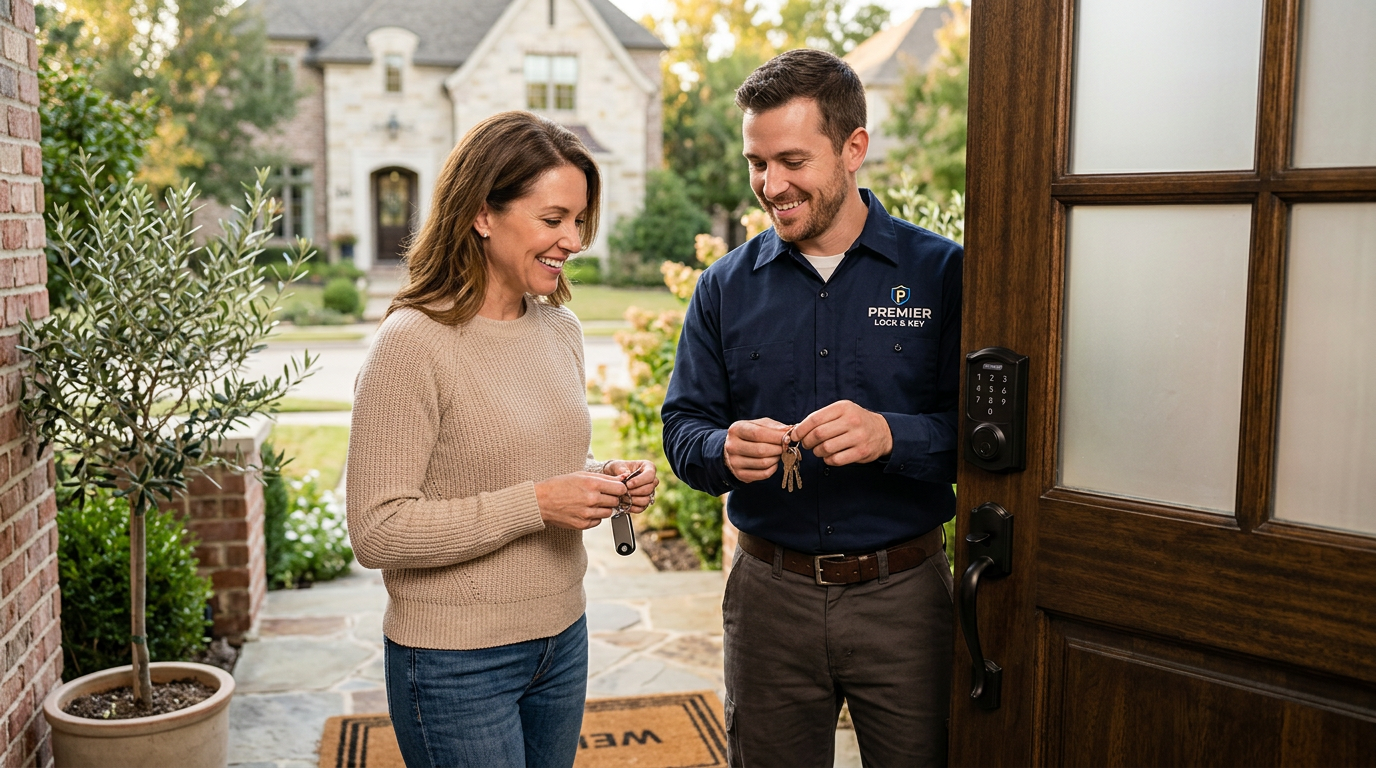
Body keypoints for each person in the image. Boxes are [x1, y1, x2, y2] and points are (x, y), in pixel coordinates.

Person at [661, 49, 961, 767]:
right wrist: (720, 450)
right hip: (770, 601)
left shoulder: (943, 273)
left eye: (792, 160)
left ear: (854, 147)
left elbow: (994, 441)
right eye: (757, 164)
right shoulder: (722, 288)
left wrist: (893, 434)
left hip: (907, 600)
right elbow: (683, 429)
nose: (771, 185)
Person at [346, 111, 658, 768]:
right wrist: (541, 503)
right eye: (554, 220)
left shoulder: (560, 329)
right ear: (484, 214)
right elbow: (377, 531)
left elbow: (534, 462)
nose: (573, 240)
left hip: (562, 640)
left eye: (579, 220)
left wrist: (602, 478)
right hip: (454, 664)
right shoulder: (411, 344)